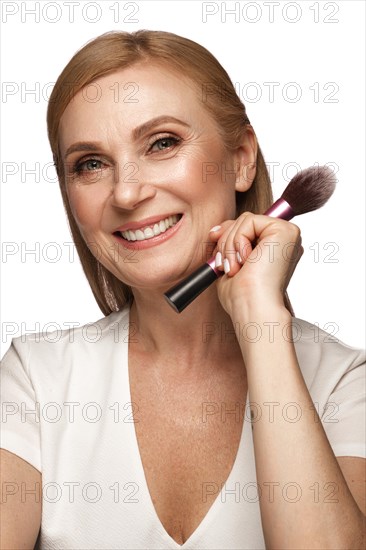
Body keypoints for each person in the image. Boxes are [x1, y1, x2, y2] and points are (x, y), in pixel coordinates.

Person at [0, 30, 365, 550]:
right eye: (91, 163)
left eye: (162, 143)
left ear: (241, 159)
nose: (126, 192)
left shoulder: (342, 385)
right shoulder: (35, 383)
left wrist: (262, 326)